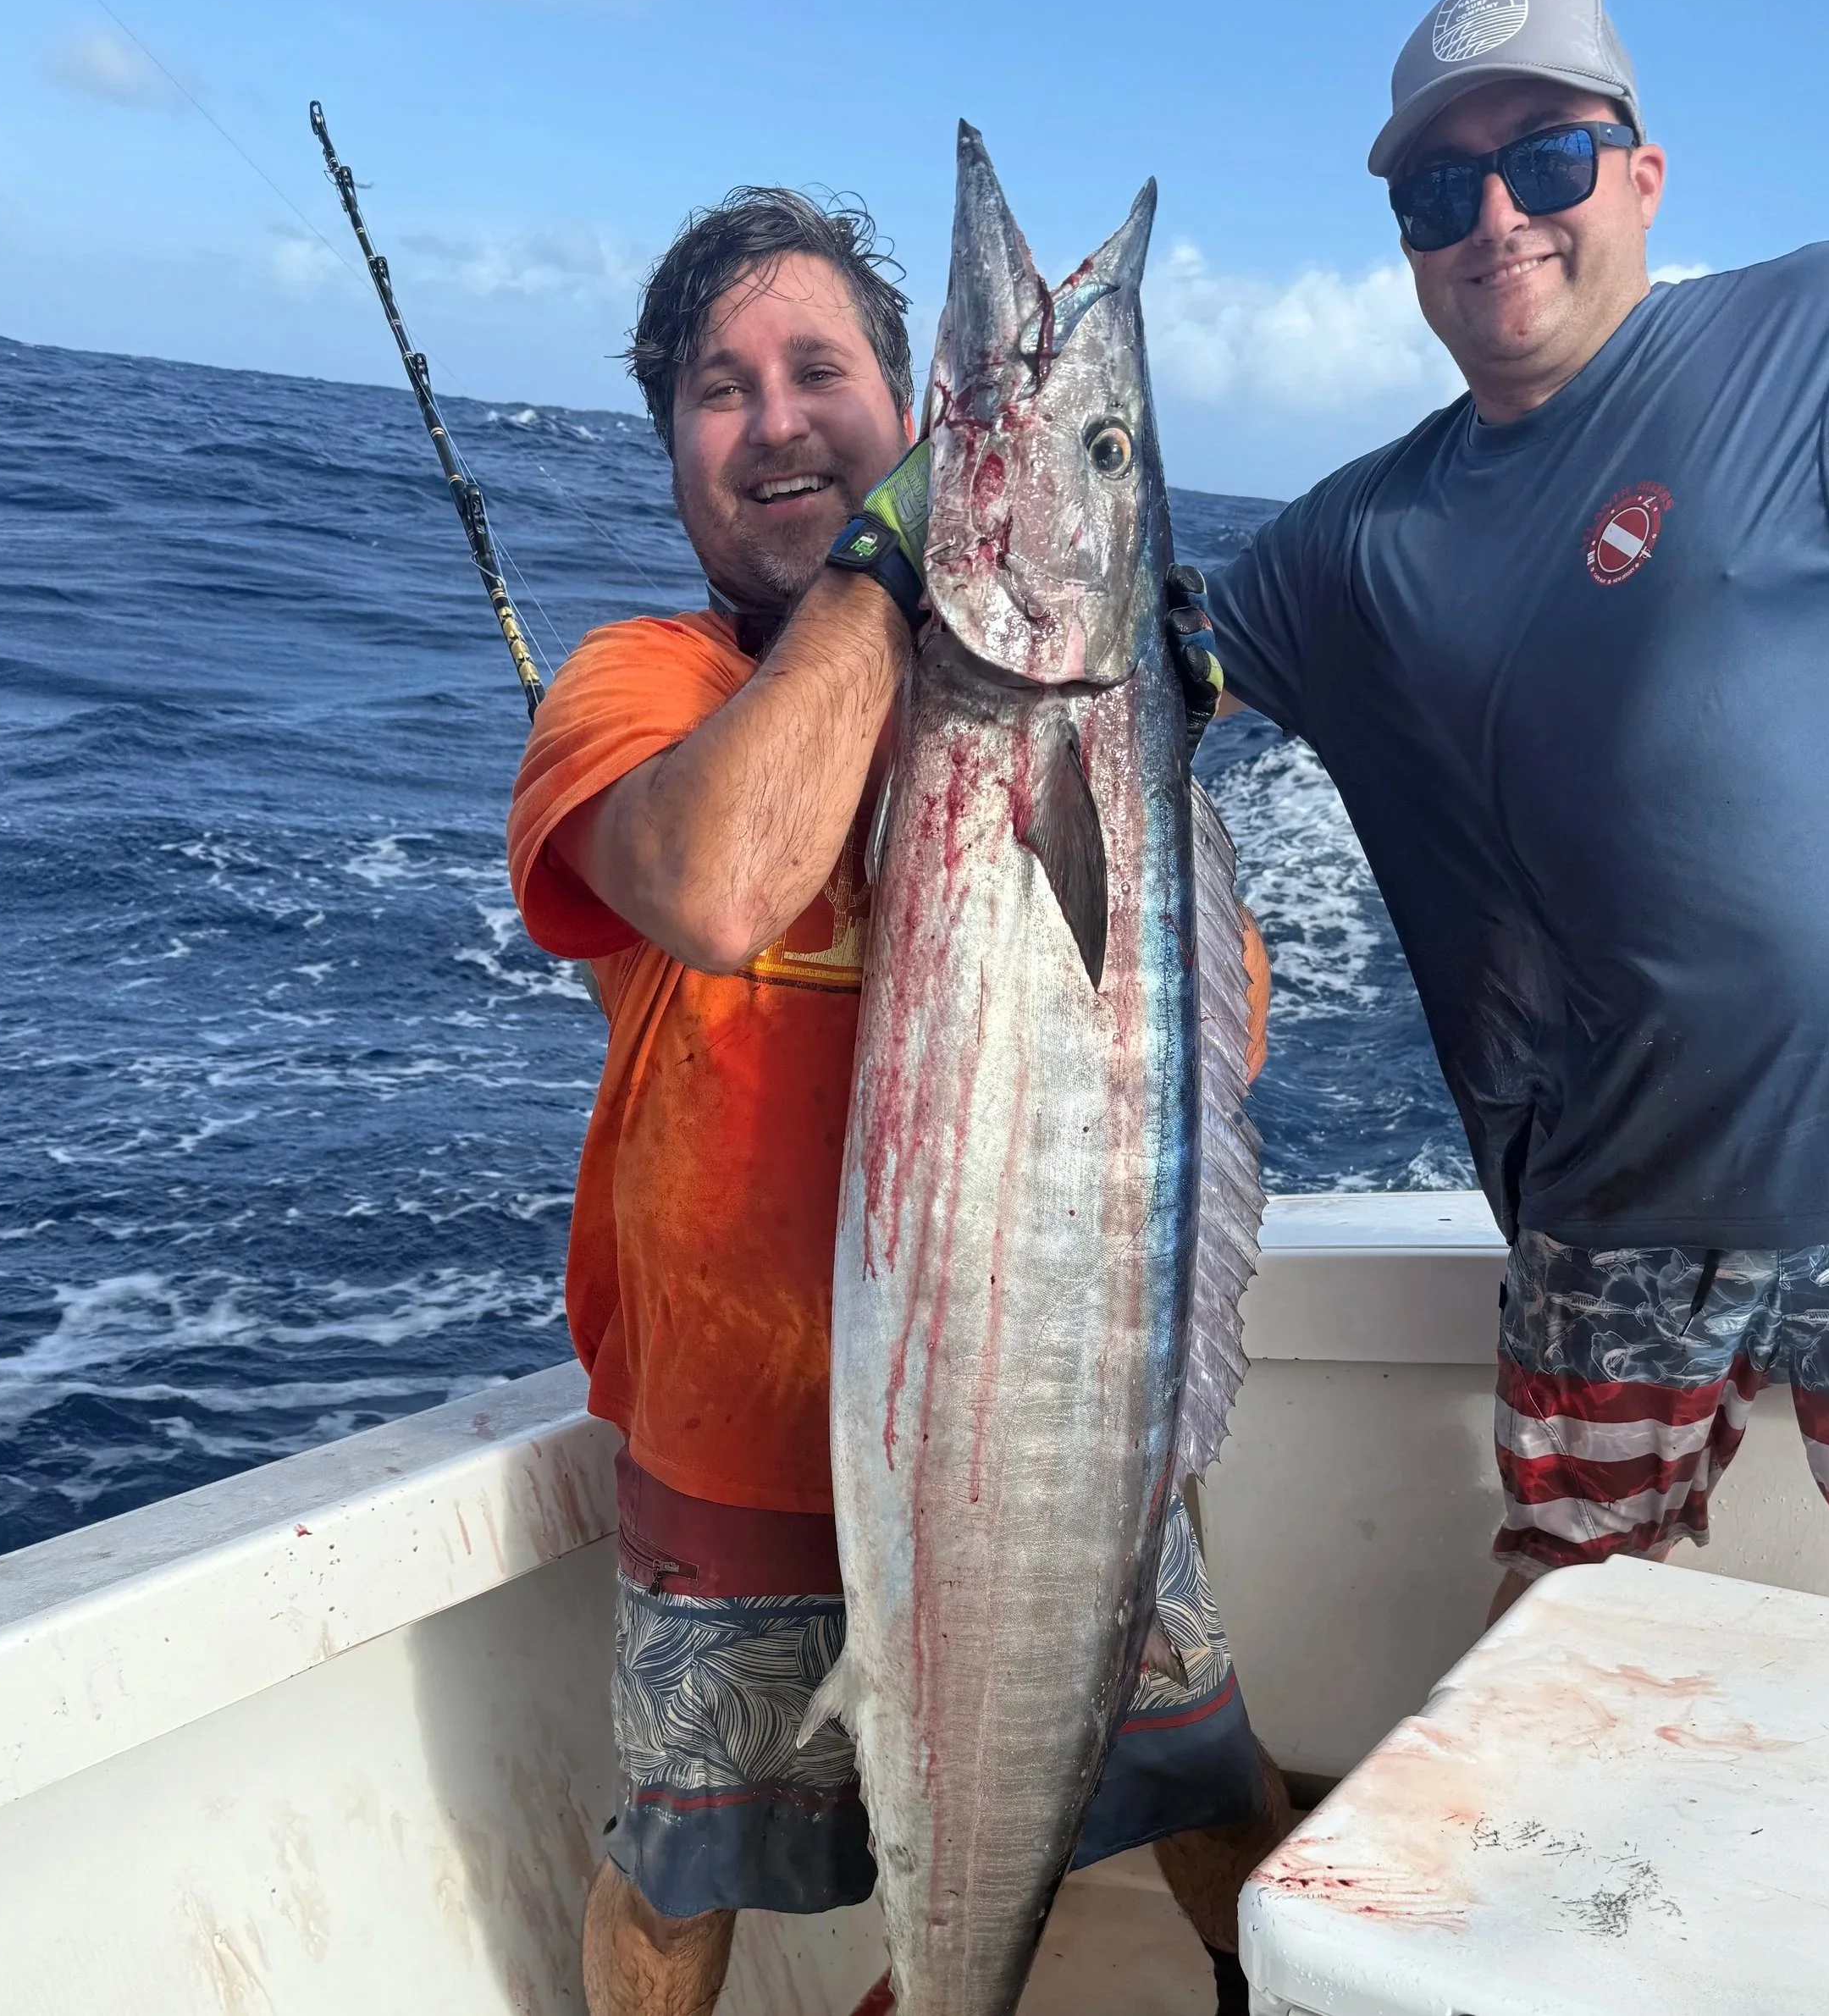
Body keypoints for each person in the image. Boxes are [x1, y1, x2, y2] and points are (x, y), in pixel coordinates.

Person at [1205, 0, 1829, 1639]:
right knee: (1559, 1694)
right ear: (1401, 235)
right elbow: (1098, 661)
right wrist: (896, 516)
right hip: (1606, 1224)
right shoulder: (1347, 547)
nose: (1495, 217)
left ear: (1640, 173)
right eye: (1439, 186)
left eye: (1544, 158)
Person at [506, 186, 1286, 2016]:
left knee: (1206, 1793)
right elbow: (711, 877)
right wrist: (895, 563)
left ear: (907, 410)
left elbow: (1205, 1066)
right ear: (676, 451)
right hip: (733, 1440)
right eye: (718, 386)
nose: (772, 416)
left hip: (1053, 1439)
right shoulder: (638, 686)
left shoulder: (1083, 715)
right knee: (674, 1862)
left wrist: (1154, 778)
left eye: (817, 368)